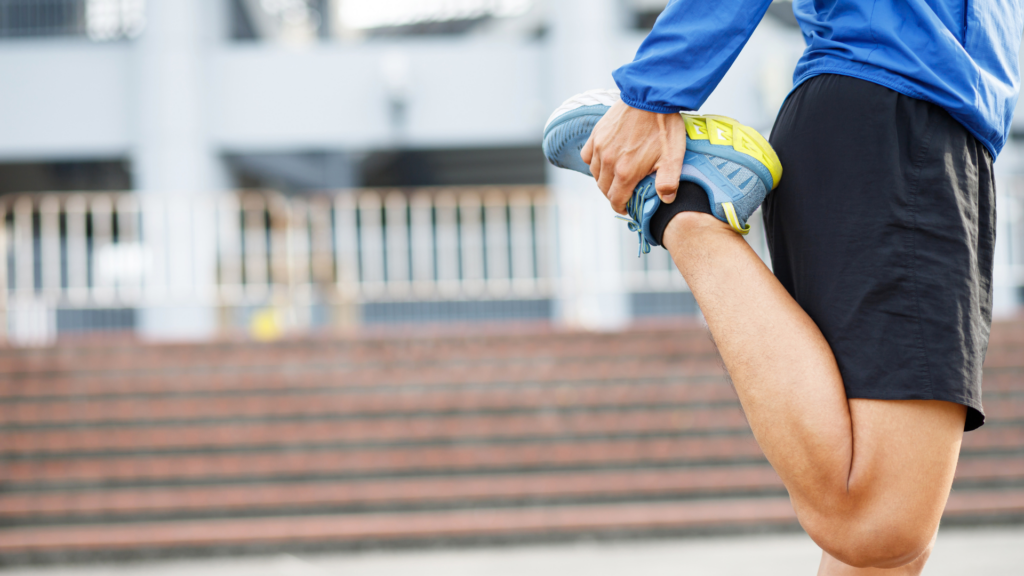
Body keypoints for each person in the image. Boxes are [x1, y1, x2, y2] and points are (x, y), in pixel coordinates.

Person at [543, 1, 1024, 574]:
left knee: (884, 562)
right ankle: (682, 204)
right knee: (876, 524)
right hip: (891, 111)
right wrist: (656, 91)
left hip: (939, 129)